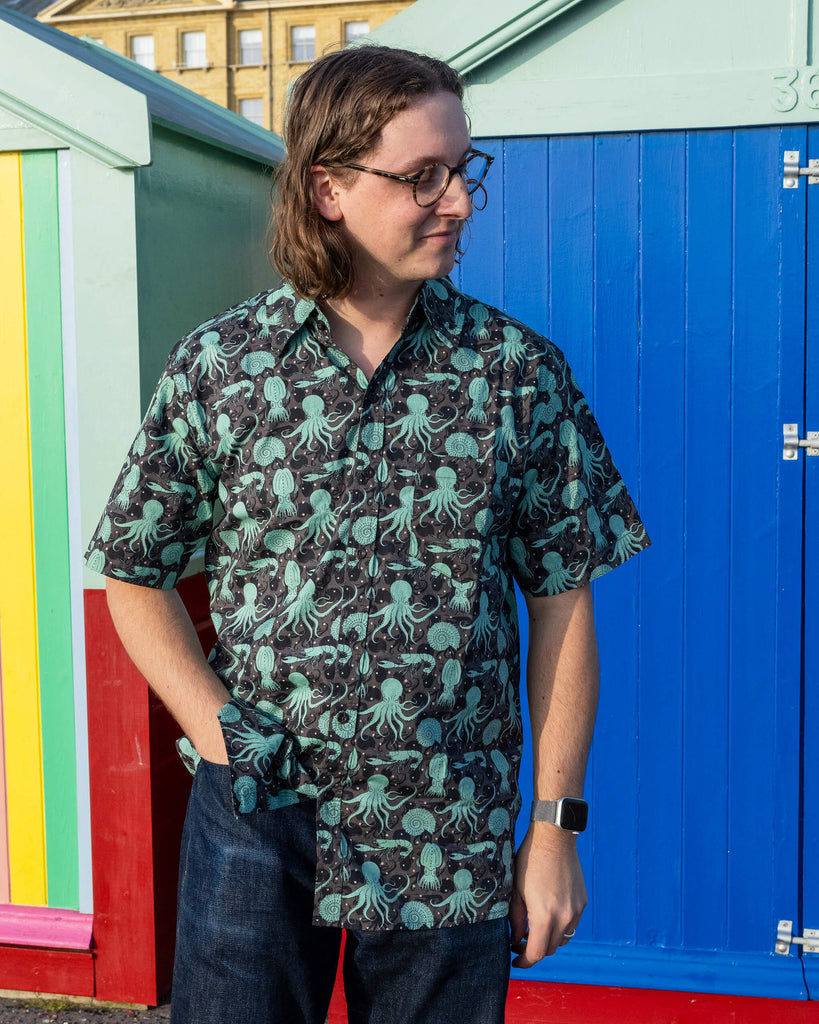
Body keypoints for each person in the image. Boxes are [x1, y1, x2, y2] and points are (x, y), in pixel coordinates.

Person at [85, 44, 649, 1024]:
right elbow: (134, 568)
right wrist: (224, 737)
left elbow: (563, 599)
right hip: (258, 807)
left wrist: (555, 827)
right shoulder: (224, 366)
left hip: (448, 811)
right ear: (330, 188)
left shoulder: (517, 373)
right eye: (421, 176)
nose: (460, 201)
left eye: (463, 170)